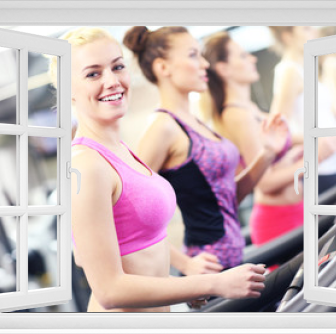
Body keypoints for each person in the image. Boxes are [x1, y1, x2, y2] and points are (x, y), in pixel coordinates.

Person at [50, 27, 267, 312]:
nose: (112, 81)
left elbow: (139, 251)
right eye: (93, 74)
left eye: (117, 67)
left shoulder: (121, 151)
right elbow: (109, 290)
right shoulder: (85, 164)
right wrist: (212, 283)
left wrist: (180, 284)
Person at [123, 26, 289, 271]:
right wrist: (186, 264)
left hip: (234, 262)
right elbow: (128, 219)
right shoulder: (162, 128)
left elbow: (226, 199)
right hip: (209, 271)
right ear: (163, 68)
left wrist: (267, 154)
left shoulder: (195, 122)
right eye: (193, 55)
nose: (204, 64)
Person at [201, 31, 304, 247]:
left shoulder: (250, 109)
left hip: (296, 209)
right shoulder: (236, 115)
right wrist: (311, 163)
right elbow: (265, 182)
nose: (253, 59)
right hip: (278, 219)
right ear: (223, 68)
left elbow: (281, 147)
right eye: (243, 56)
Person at [268, 26, 336, 194]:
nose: (315, 32)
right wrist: (322, 139)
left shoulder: (306, 69)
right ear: (288, 36)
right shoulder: (289, 71)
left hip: (333, 161)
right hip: (319, 168)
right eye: (306, 29)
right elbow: (277, 131)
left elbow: (322, 117)